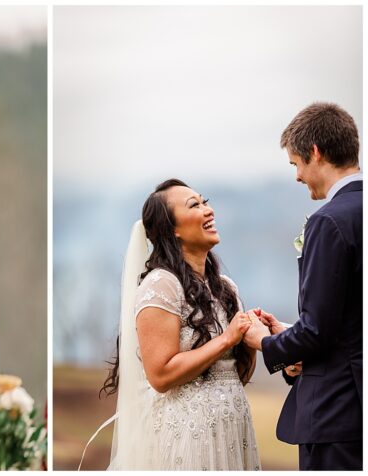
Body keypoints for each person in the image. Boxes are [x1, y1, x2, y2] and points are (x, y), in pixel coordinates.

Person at [98, 179, 260, 470]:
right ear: (172, 229)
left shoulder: (226, 288)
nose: (208, 210)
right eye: (194, 205)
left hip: (233, 429)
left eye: (205, 201)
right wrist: (225, 340)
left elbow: (238, 375)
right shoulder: (161, 285)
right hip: (188, 433)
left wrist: (253, 338)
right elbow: (160, 375)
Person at [242, 102, 362, 471]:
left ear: (315, 152)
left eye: (295, 164)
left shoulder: (329, 221)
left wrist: (264, 341)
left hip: (339, 412)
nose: (296, 177)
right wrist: (292, 331)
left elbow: (318, 333)